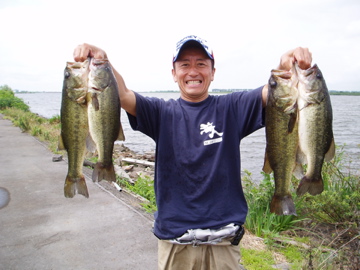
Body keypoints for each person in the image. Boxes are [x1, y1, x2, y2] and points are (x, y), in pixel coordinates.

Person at [74, 35, 312, 270]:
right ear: (174, 73)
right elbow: (123, 95)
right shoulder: (160, 112)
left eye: (201, 64)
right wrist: (103, 60)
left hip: (224, 242)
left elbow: (273, 93)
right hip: (175, 242)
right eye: (184, 64)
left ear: (213, 72)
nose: (193, 71)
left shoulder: (231, 108)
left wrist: (284, 67)